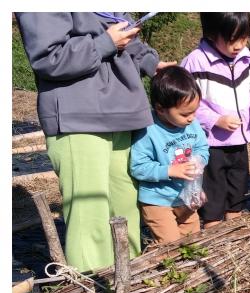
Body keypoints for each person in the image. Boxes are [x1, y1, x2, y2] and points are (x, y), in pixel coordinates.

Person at [15, 13, 176, 272]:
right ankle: (92, 290)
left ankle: (130, 284)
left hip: (122, 113)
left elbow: (124, 30)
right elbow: (48, 57)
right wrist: (105, 43)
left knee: (125, 207)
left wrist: (150, 62)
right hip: (78, 116)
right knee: (90, 214)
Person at [181, 13, 250, 228]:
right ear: (212, 34)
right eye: (232, 39)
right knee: (214, 188)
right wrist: (215, 119)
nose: (239, 45)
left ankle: (234, 227)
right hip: (210, 142)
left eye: (244, 38)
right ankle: (213, 231)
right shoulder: (196, 61)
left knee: (238, 186)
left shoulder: (245, 57)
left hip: (239, 139)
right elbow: (185, 103)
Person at [129, 66, 210, 245]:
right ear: (160, 109)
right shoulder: (149, 131)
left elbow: (202, 148)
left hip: (185, 196)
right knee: (170, 244)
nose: (191, 118)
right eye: (185, 114)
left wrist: (199, 161)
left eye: (194, 112)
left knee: (193, 240)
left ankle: (189, 271)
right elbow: (138, 167)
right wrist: (170, 170)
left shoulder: (193, 125)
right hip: (157, 200)